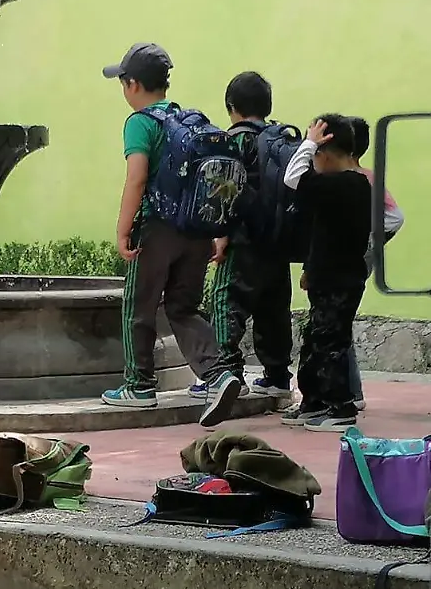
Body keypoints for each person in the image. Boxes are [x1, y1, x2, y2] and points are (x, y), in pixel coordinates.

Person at [100, 43, 240, 428]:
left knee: (138, 305)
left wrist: (123, 229)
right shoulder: (190, 119)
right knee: (183, 307)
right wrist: (215, 230)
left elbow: (137, 177)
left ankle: (139, 386)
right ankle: (218, 373)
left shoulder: (141, 123)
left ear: (132, 84)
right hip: (197, 230)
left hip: (157, 229)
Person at [193, 72, 291, 401]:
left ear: (230, 106)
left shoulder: (235, 139)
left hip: (243, 240)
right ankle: (277, 375)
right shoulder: (280, 140)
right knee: (273, 310)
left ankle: (227, 374)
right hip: (278, 243)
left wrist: (220, 234)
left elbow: (224, 189)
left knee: (225, 303)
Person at [280, 115, 371, 431]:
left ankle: (340, 408)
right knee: (317, 340)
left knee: (330, 342)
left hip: (339, 280)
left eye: (315, 154)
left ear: (326, 154)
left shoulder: (346, 183)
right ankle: (315, 401)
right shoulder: (348, 184)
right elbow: (323, 235)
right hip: (329, 276)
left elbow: (292, 178)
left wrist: (308, 142)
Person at [337, 116, 405, 410]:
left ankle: (349, 393)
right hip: (357, 258)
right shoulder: (369, 178)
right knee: (340, 320)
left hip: (347, 259)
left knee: (337, 321)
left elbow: (395, 217)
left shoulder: (358, 180)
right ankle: (350, 391)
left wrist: (364, 242)